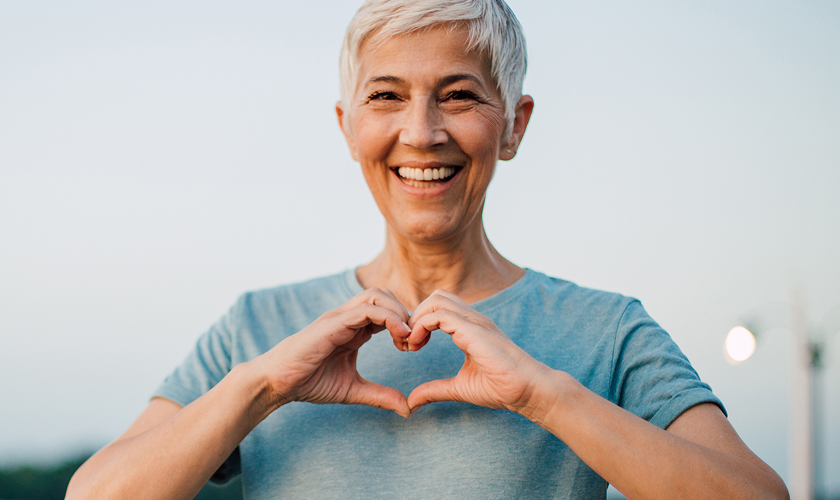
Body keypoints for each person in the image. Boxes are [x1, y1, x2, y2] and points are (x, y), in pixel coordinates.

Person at [66, 0, 789, 498]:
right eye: (386, 96)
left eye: (459, 95)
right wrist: (261, 389)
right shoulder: (256, 328)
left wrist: (544, 393)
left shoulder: (608, 330)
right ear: (347, 126)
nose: (422, 131)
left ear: (514, 125)